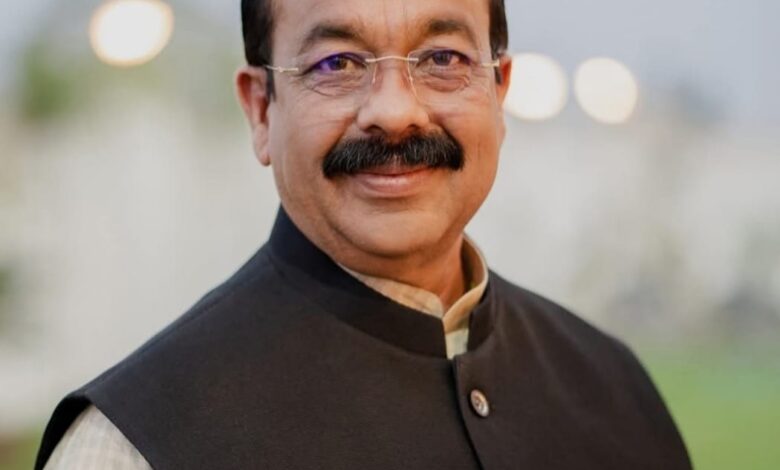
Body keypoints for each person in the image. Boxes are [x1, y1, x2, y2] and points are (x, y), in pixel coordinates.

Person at [35, 0, 692, 468]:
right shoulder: (130, 447)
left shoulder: (614, 390)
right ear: (261, 110)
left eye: (442, 58)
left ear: (500, 92)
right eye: (337, 64)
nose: (395, 112)